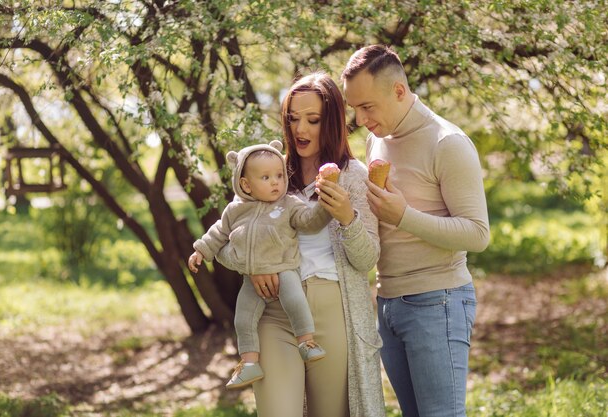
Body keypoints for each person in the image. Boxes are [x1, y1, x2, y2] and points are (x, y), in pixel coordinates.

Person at [217, 72, 386, 417]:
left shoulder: (354, 176)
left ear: (334, 121)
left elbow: (366, 259)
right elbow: (223, 236)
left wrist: (347, 218)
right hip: (275, 311)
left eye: (313, 120)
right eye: (293, 119)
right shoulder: (270, 173)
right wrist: (251, 266)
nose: (300, 130)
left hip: (332, 310)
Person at [342, 44, 490, 417]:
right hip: (388, 302)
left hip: (436, 301)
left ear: (398, 91)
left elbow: (477, 233)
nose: (360, 119)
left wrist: (404, 215)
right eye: (355, 108)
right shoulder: (379, 137)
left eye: (367, 107)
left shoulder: (447, 143)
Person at [188, 141, 330, 389]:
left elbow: (309, 221)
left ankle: (306, 342)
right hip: (250, 280)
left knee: (295, 300)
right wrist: (201, 249)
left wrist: (326, 208)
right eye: (266, 177)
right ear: (245, 184)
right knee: (242, 318)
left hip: (284, 269)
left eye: (279, 175)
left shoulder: (288, 205)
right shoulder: (235, 210)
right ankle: (249, 362)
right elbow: (218, 233)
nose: (276, 182)